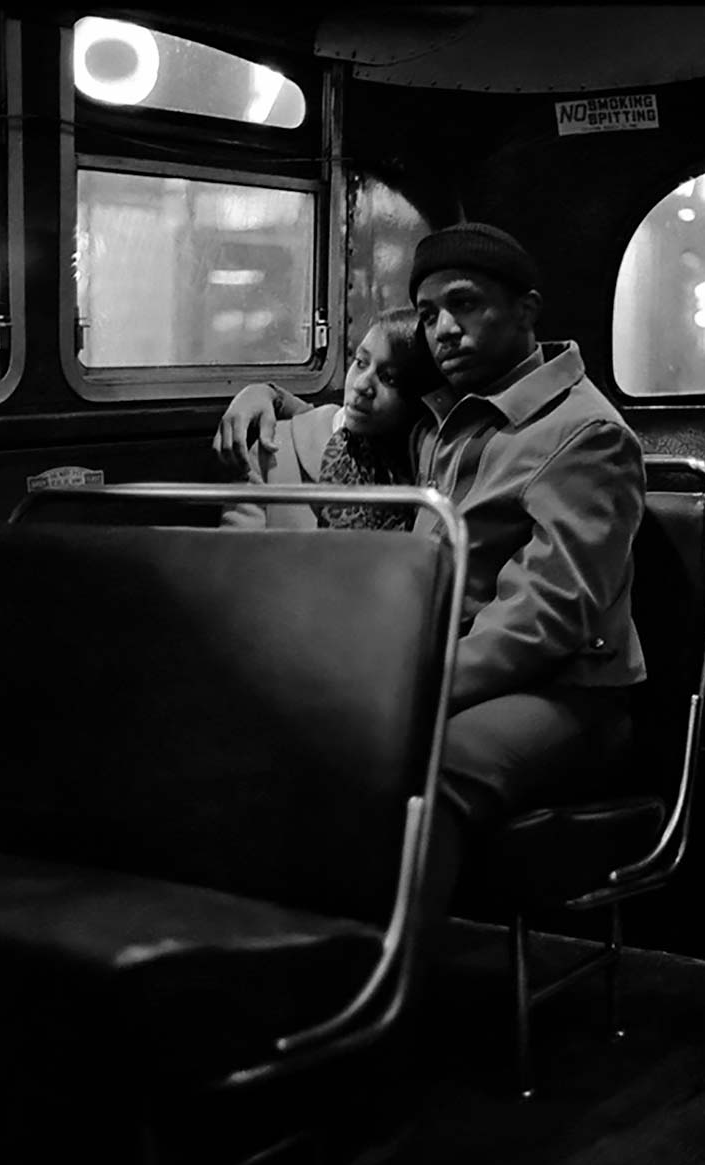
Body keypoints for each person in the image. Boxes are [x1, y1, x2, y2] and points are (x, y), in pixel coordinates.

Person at [213, 222, 646, 858]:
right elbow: (349, 419)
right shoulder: (450, 414)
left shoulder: (585, 434)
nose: (444, 328)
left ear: (525, 310)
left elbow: (547, 617)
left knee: (428, 772)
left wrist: (405, 684)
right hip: (447, 667)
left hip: (565, 692)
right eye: (428, 312)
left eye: (465, 304)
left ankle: (398, 955)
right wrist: (266, 396)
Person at [216, 306, 441, 531]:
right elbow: (234, 556)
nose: (362, 385)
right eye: (361, 362)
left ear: (418, 398)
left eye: (388, 378)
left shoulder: (433, 469)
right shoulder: (275, 449)